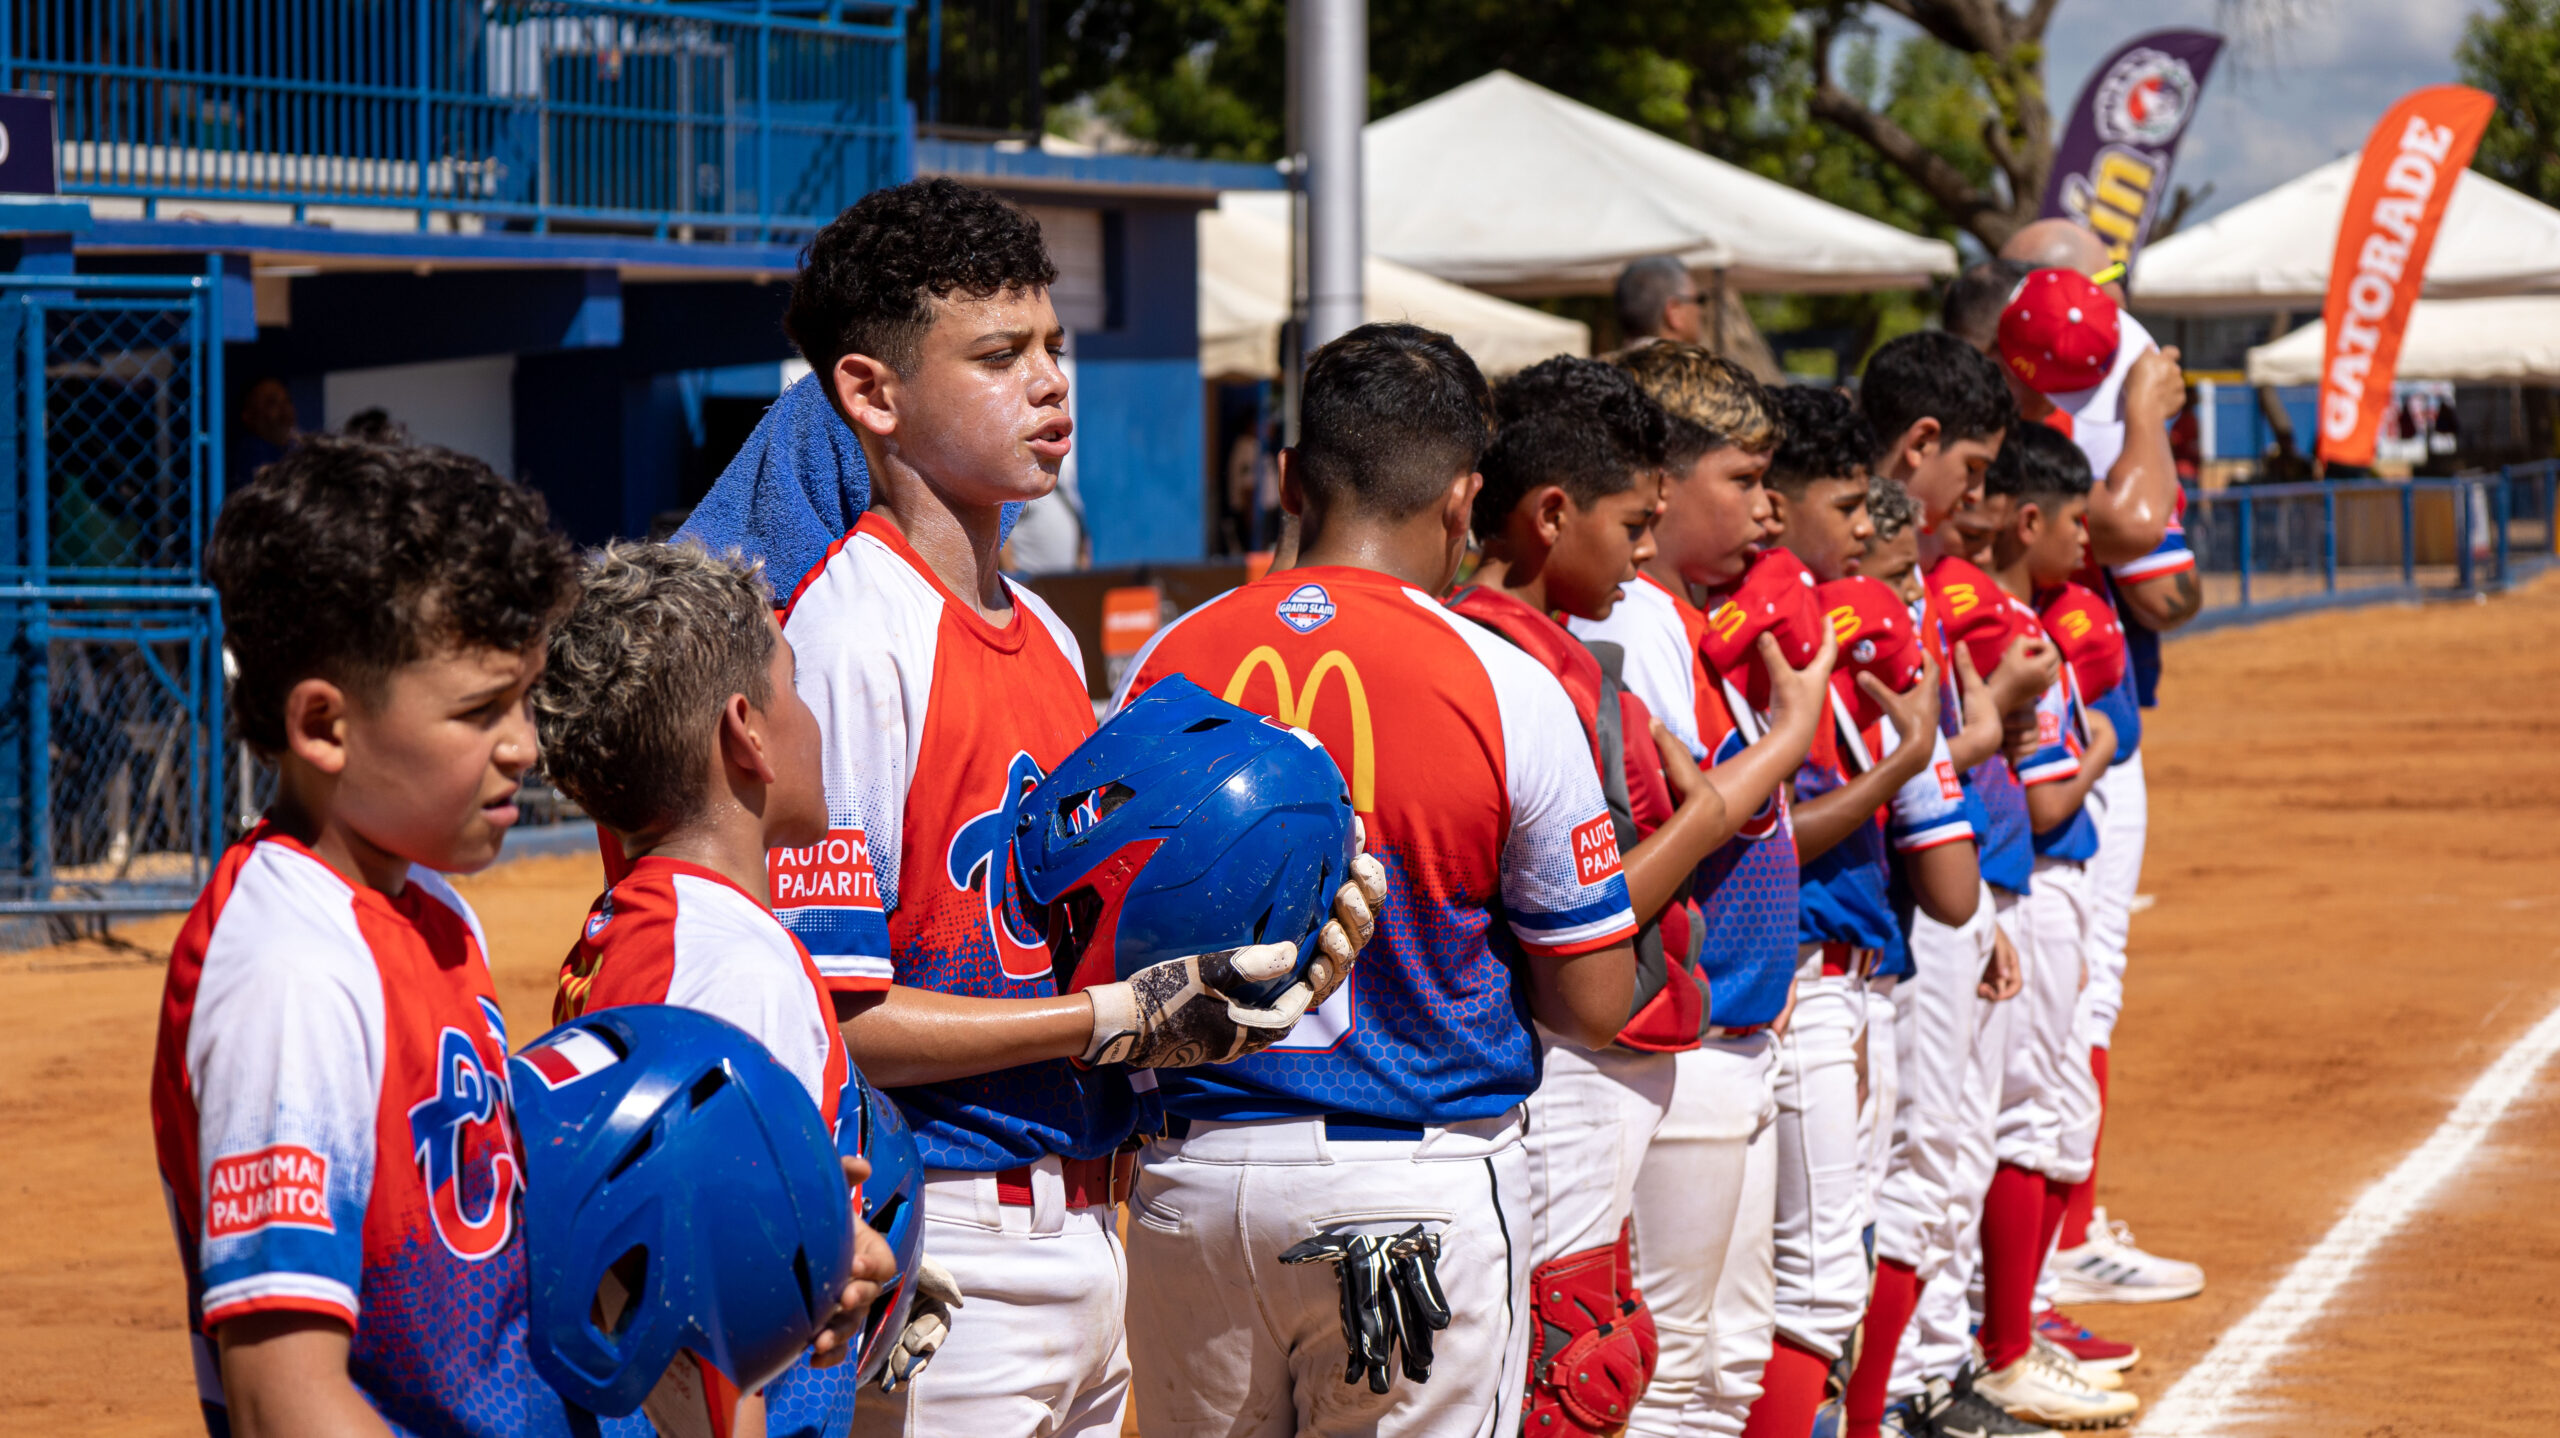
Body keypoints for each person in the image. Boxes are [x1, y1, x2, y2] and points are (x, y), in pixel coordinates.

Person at [767, 177, 1379, 1438]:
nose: (1052, 384)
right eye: (999, 355)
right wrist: (1106, 1017)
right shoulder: (848, 635)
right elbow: (835, 1017)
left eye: (1056, 347)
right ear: (870, 393)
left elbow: (1067, 947)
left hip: (1096, 1221)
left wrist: (1233, 982)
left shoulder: (1042, 630)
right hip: (946, 1243)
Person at [1112, 322, 1641, 1438]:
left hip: (1192, 1184)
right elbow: (1594, 1003)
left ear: (1294, 480)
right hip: (1410, 1186)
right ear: (1463, 498)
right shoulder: (1504, 679)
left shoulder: (1165, 657)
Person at [152, 437, 597, 1436]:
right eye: (482, 709)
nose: (524, 742)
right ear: (324, 725)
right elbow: (286, 1399)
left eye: (524, 697)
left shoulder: (428, 905)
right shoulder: (291, 971)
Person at [532, 541, 913, 1435]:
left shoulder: (645, 922)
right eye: (797, 686)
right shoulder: (733, 970)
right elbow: (697, 1326)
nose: (815, 721)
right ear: (746, 732)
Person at [1444, 357, 1746, 1435]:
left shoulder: (1549, 648)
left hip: (1581, 1055)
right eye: (1631, 523)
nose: (1648, 550)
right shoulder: (1524, 661)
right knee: (1569, 1366)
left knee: (1594, 1344)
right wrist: (1704, 815)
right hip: (1563, 1054)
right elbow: (1591, 901)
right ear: (1549, 512)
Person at [1572, 344, 1830, 1438]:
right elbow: (1694, 806)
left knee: (1720, 1365)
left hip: (1729, 1015)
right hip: (1679, 1027)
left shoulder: (1682, 615)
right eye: (1741, 478)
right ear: (1662, 483)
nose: (1766, 507)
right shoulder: (1636, 619)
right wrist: (1797, 726)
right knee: (1674, 1376)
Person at [1738, 388, 1974, 1438]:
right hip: (1794, 976)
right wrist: (1912, 760)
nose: (1863, 525)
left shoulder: (1808, 606)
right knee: (1813, 1286)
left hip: (1831, 970)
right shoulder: (1785, 618)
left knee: (1800, 1284)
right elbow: (1775, 824)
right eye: (1842, 504)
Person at [1979, 258, 2209, 1316]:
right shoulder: (2050, 441)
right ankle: (2056, 1246)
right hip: (2070, 739)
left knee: (2073, 987)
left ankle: (2054, 1239)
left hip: (2084, 724)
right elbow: (2152, 565)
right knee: (2069, 987)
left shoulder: (2041, 425)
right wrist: (2141, 417)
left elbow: (2161, 575)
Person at [1965, 424, 2137, 1429]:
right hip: (2029, 889)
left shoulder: (2021, 610)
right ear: (2029, 519)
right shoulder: (2003, 622)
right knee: (2017, 1116)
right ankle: (2007, 1344)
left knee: (2028, 1110)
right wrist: (2106, 739)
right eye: (2074, 521)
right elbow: (2037, 802)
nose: (2087, 541)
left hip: (2040, 887)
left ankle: (2017, 1329)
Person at [1616, 255, 1707, 347]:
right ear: (1674, 312)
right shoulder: (1687, 361)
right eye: (1699, 300)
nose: (1701, 311)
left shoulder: (1608, 361)